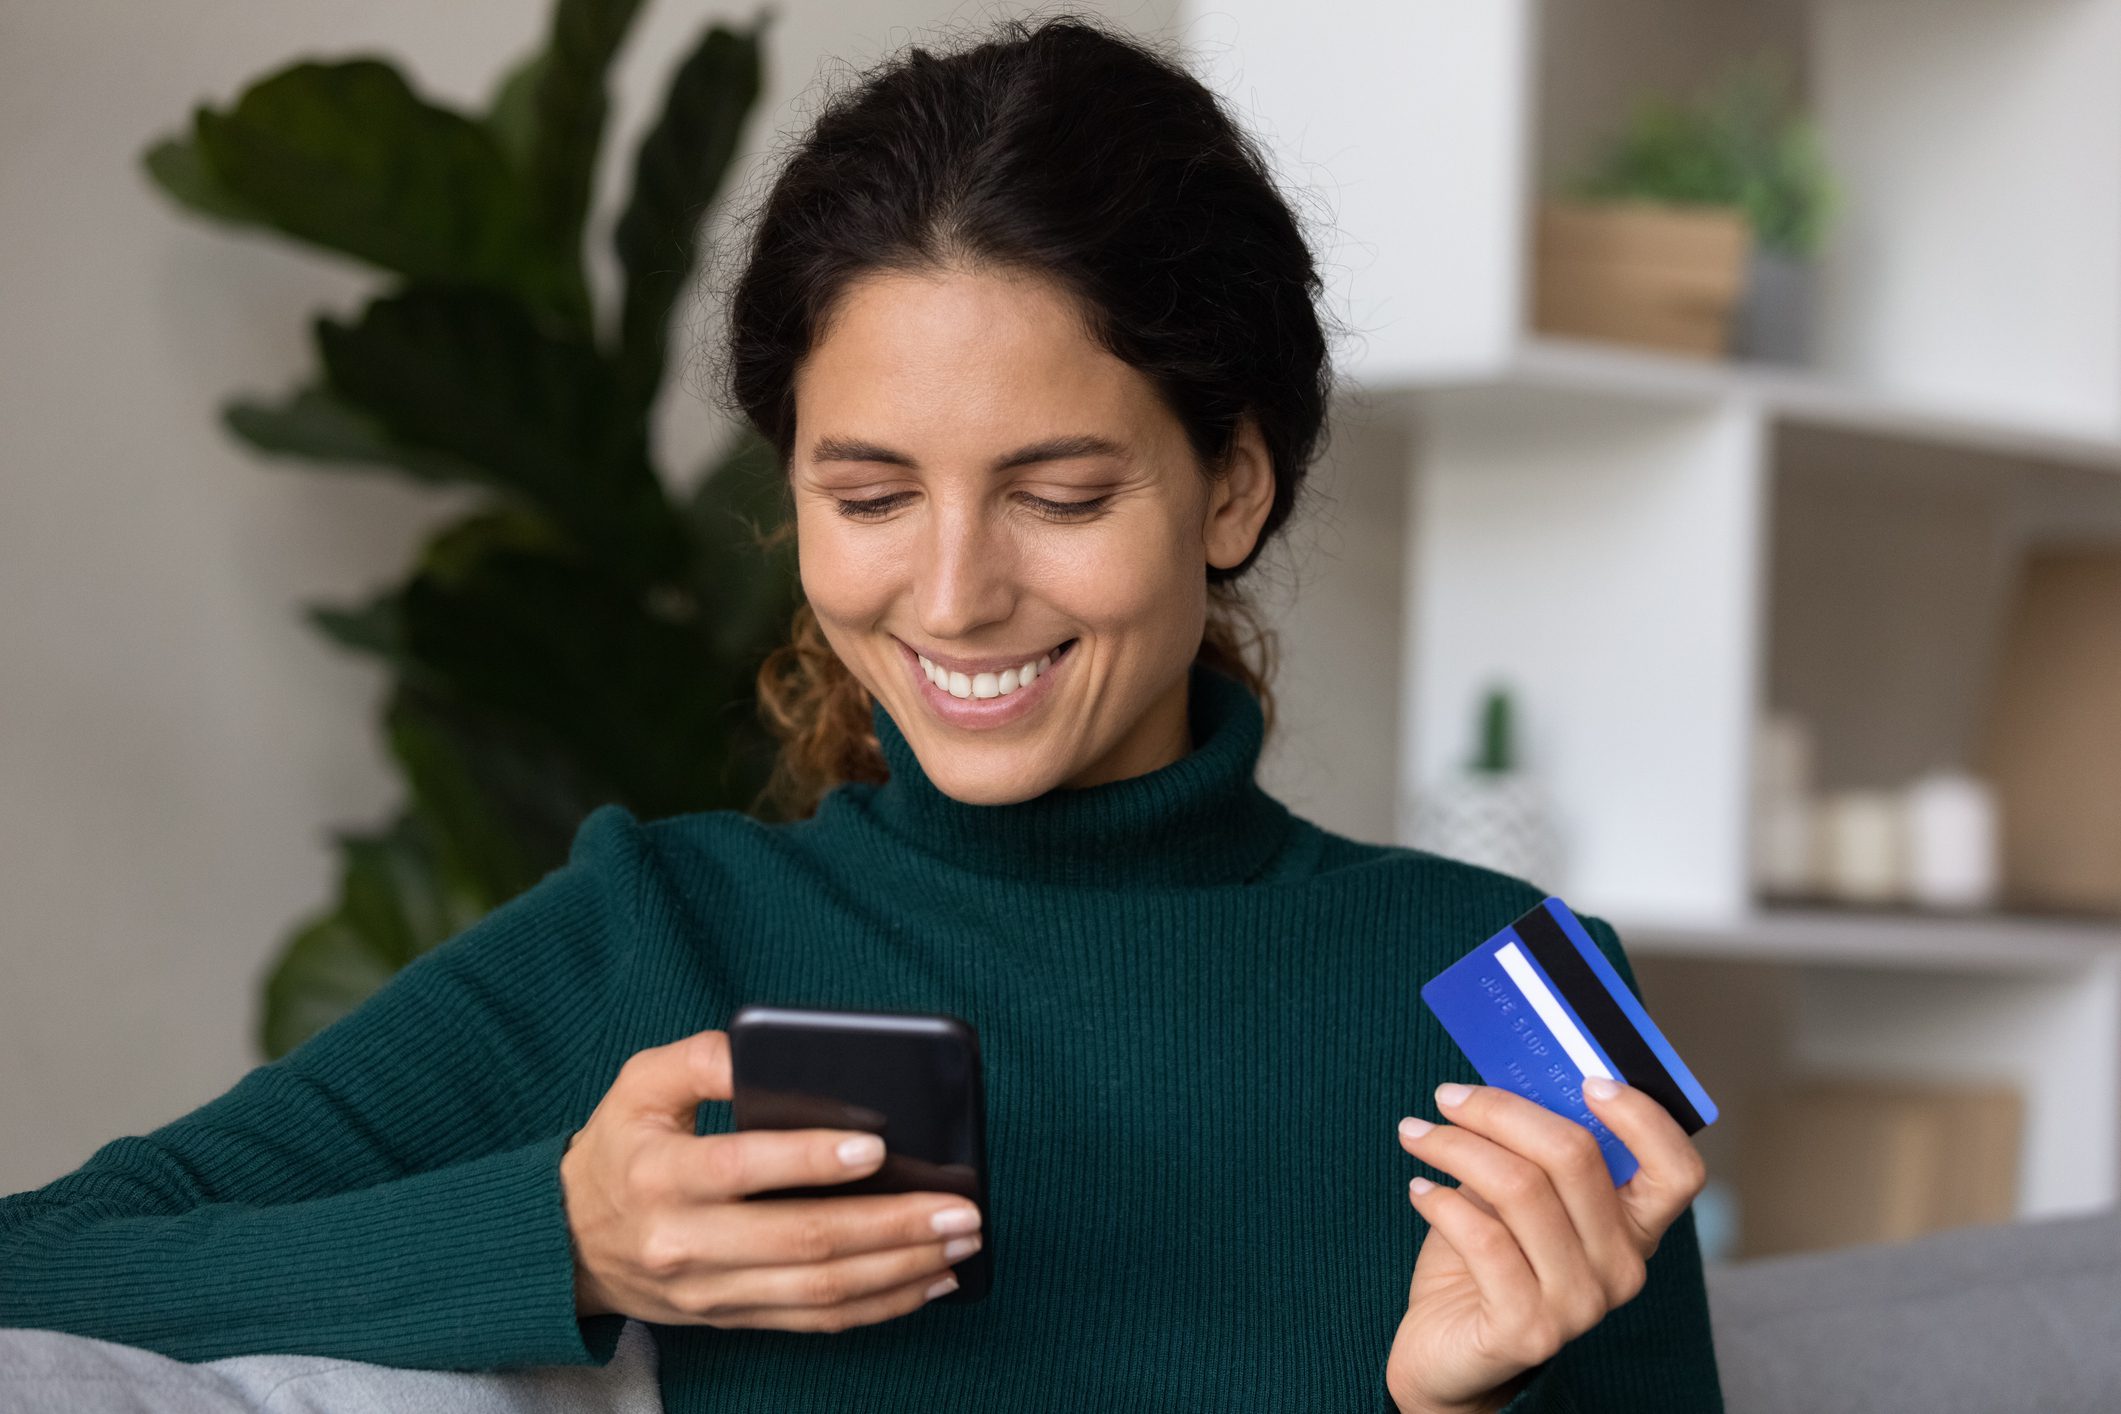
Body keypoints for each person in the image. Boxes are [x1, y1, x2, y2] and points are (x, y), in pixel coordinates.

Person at [0, 12, 1723, 1412]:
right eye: (872, 492)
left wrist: (1456, 1413)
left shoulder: (1508, 989)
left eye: (1056, 494)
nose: (953, 595)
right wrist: (570, 1237)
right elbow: (46, 1259)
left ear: (1229, 488)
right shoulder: (665, 931)